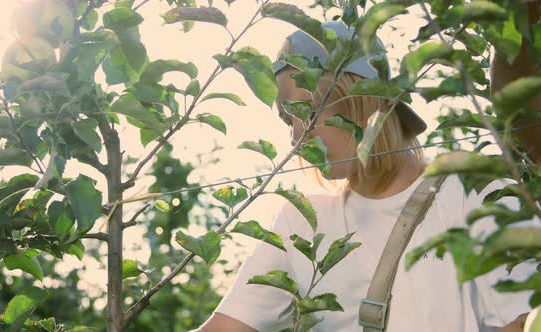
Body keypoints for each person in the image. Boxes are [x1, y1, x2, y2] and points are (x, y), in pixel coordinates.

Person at [195, 17, 539, 332]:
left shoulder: (475, 193)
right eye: (288, 119)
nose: (296, 136)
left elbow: (525, 321)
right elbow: (227, 327)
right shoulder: (301, 218)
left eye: (307, 111)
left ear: (363, 99)